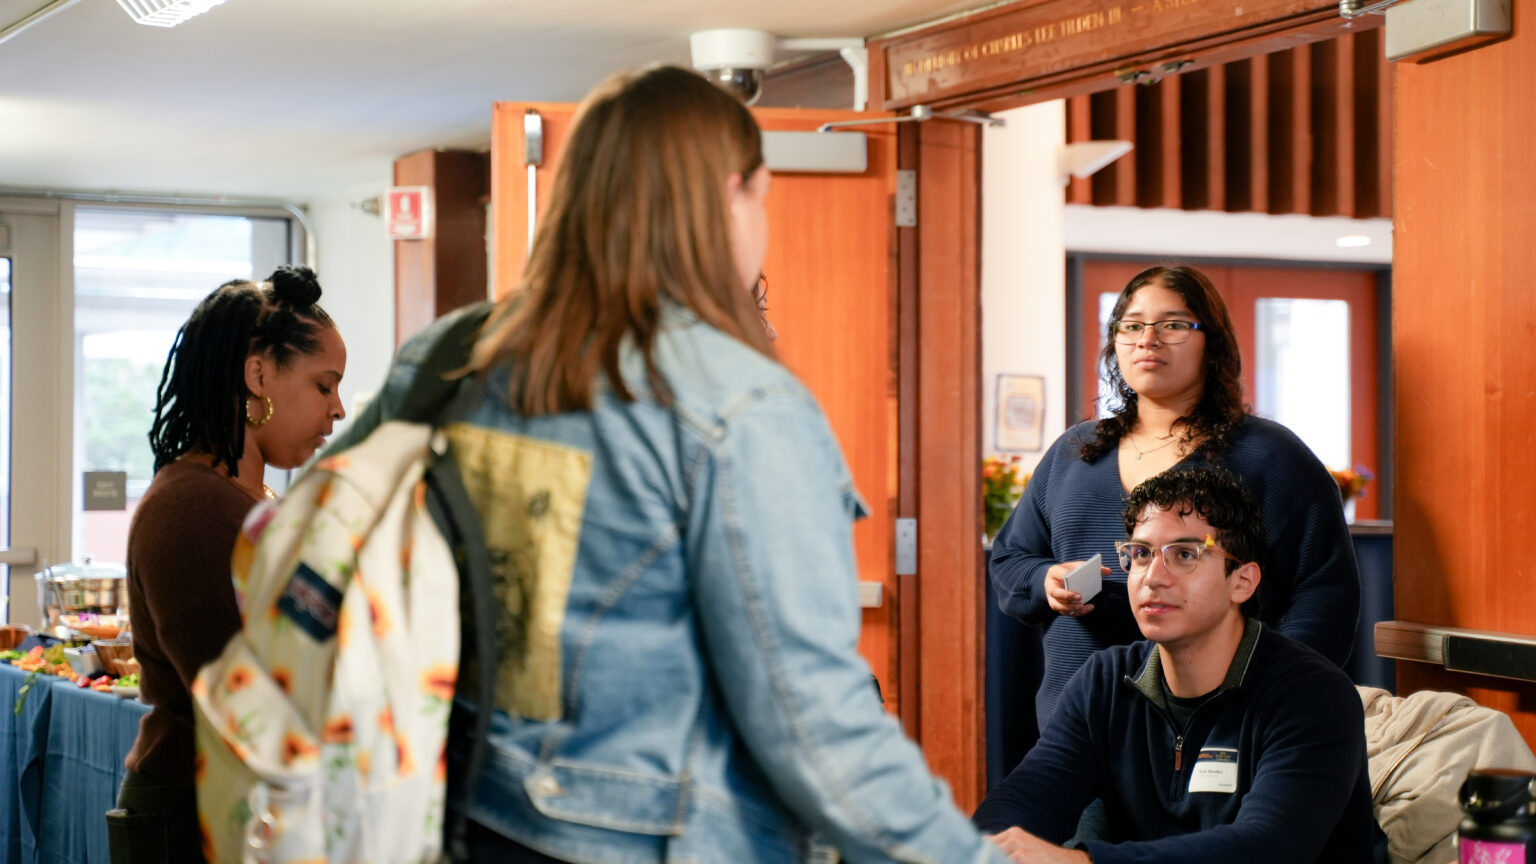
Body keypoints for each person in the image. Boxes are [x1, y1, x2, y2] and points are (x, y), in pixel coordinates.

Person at [330, 65, 1014, 863]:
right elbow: (812, 720)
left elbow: (327, 532)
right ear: (732, 193)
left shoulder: (455, 352)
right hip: (642, 838)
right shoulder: (737, 402)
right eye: (764, 193)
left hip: (458, 815)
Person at [988, 264, 1360, 731]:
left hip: (1222, 725)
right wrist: (1045, 580)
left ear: (1213, 342)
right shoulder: (1073, 454)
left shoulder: (1270, 457)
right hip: (1081, 727)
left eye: (1173, 324)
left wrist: (1269, 688)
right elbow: (1009, 560)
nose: (1148, 339)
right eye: (1132, 325)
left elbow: (1325, 592)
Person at [974, 467, 1385, 863]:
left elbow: (1266, 848)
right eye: (1140, 554)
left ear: (1243, 581)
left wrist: (1081, 863)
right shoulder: (1105, 682)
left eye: (1184, 554)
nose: (1153, 576)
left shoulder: (1314, 696)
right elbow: (1031, 794)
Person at [114, 266, 346, 860]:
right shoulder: (190, 509)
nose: (339, 410)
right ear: (258, 375)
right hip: (194, 815)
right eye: (325, 386)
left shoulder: (250, 499)